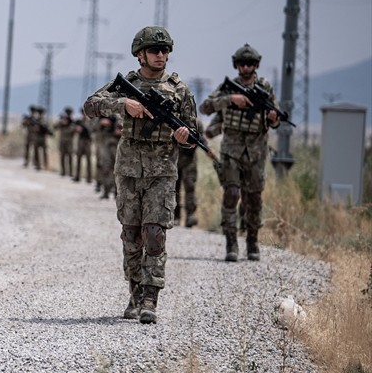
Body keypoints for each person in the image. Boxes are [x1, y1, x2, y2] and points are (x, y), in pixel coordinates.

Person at [84, 26, 198, 324]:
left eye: (165, 51)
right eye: (155, 51)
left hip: (162, 171)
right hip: (130, 170)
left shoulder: (179, 89)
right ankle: (134, 293)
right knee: (131, 235)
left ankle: (150, 298)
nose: (161, 56)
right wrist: (124, 104)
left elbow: (192, 133)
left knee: (155, 235)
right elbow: (91, 105)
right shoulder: (127, 84)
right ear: (140, 54)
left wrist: (185, 136)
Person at [200, 43, 280, 261]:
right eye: (243, 64)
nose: (246, 67)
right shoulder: (228, 87)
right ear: (236, 65)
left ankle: (252, 240)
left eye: (251, 64)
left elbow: (275, 119)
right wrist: (230, 100)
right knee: (232, 194)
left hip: (256, 152)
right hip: (231, 151)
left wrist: (274, 119)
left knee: (253, 198)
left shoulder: (265, 88)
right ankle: (231, 242)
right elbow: (205, 107)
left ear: (257, 65)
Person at [174, 144, 198, 228]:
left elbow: (200, 135)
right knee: (174, 186)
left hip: (189, 157)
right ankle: (175, 216)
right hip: (174, 155)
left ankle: (190, 215)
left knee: (190, 185)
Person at [95, 115, 119, 200]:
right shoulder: (101, 115)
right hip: (105, 146)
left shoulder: (118, 117)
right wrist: (101, 123)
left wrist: (118, 128)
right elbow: (95, 128)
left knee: (117, 170)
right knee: (105, 168)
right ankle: (106, 191)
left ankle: (117, 192)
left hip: (116, 146)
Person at [73, 111, 94, 184]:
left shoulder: (91, 122)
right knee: (78, 159)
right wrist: (77, 129)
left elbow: (92, 131)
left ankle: (89, 178)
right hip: (81, 141)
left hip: (88, 142)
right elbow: (74, 130)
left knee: (88, 160)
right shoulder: (79, 122)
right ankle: (77, 176)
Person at [29, 106, 51, 170]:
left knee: (44, 152)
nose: (40, 115)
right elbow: (31, 128)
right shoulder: (35, 121)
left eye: (41, 114)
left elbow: (48, 130)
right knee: (36, 152)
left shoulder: (44, 121)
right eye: (39, 113)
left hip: (43, 138)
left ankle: (45, 164)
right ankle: (37, 164)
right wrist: (34, 128)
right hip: (37, 138)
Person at [56, 107, 74, 176]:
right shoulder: (62, 121)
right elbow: (55, 127)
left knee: (70, 157)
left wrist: (68, 124)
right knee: (62, 157)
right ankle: (63, 171)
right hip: (62, 141)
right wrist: (61, 122)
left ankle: (70, 172)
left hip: (69, 142)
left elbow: (73, 130)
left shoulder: (72, 122)